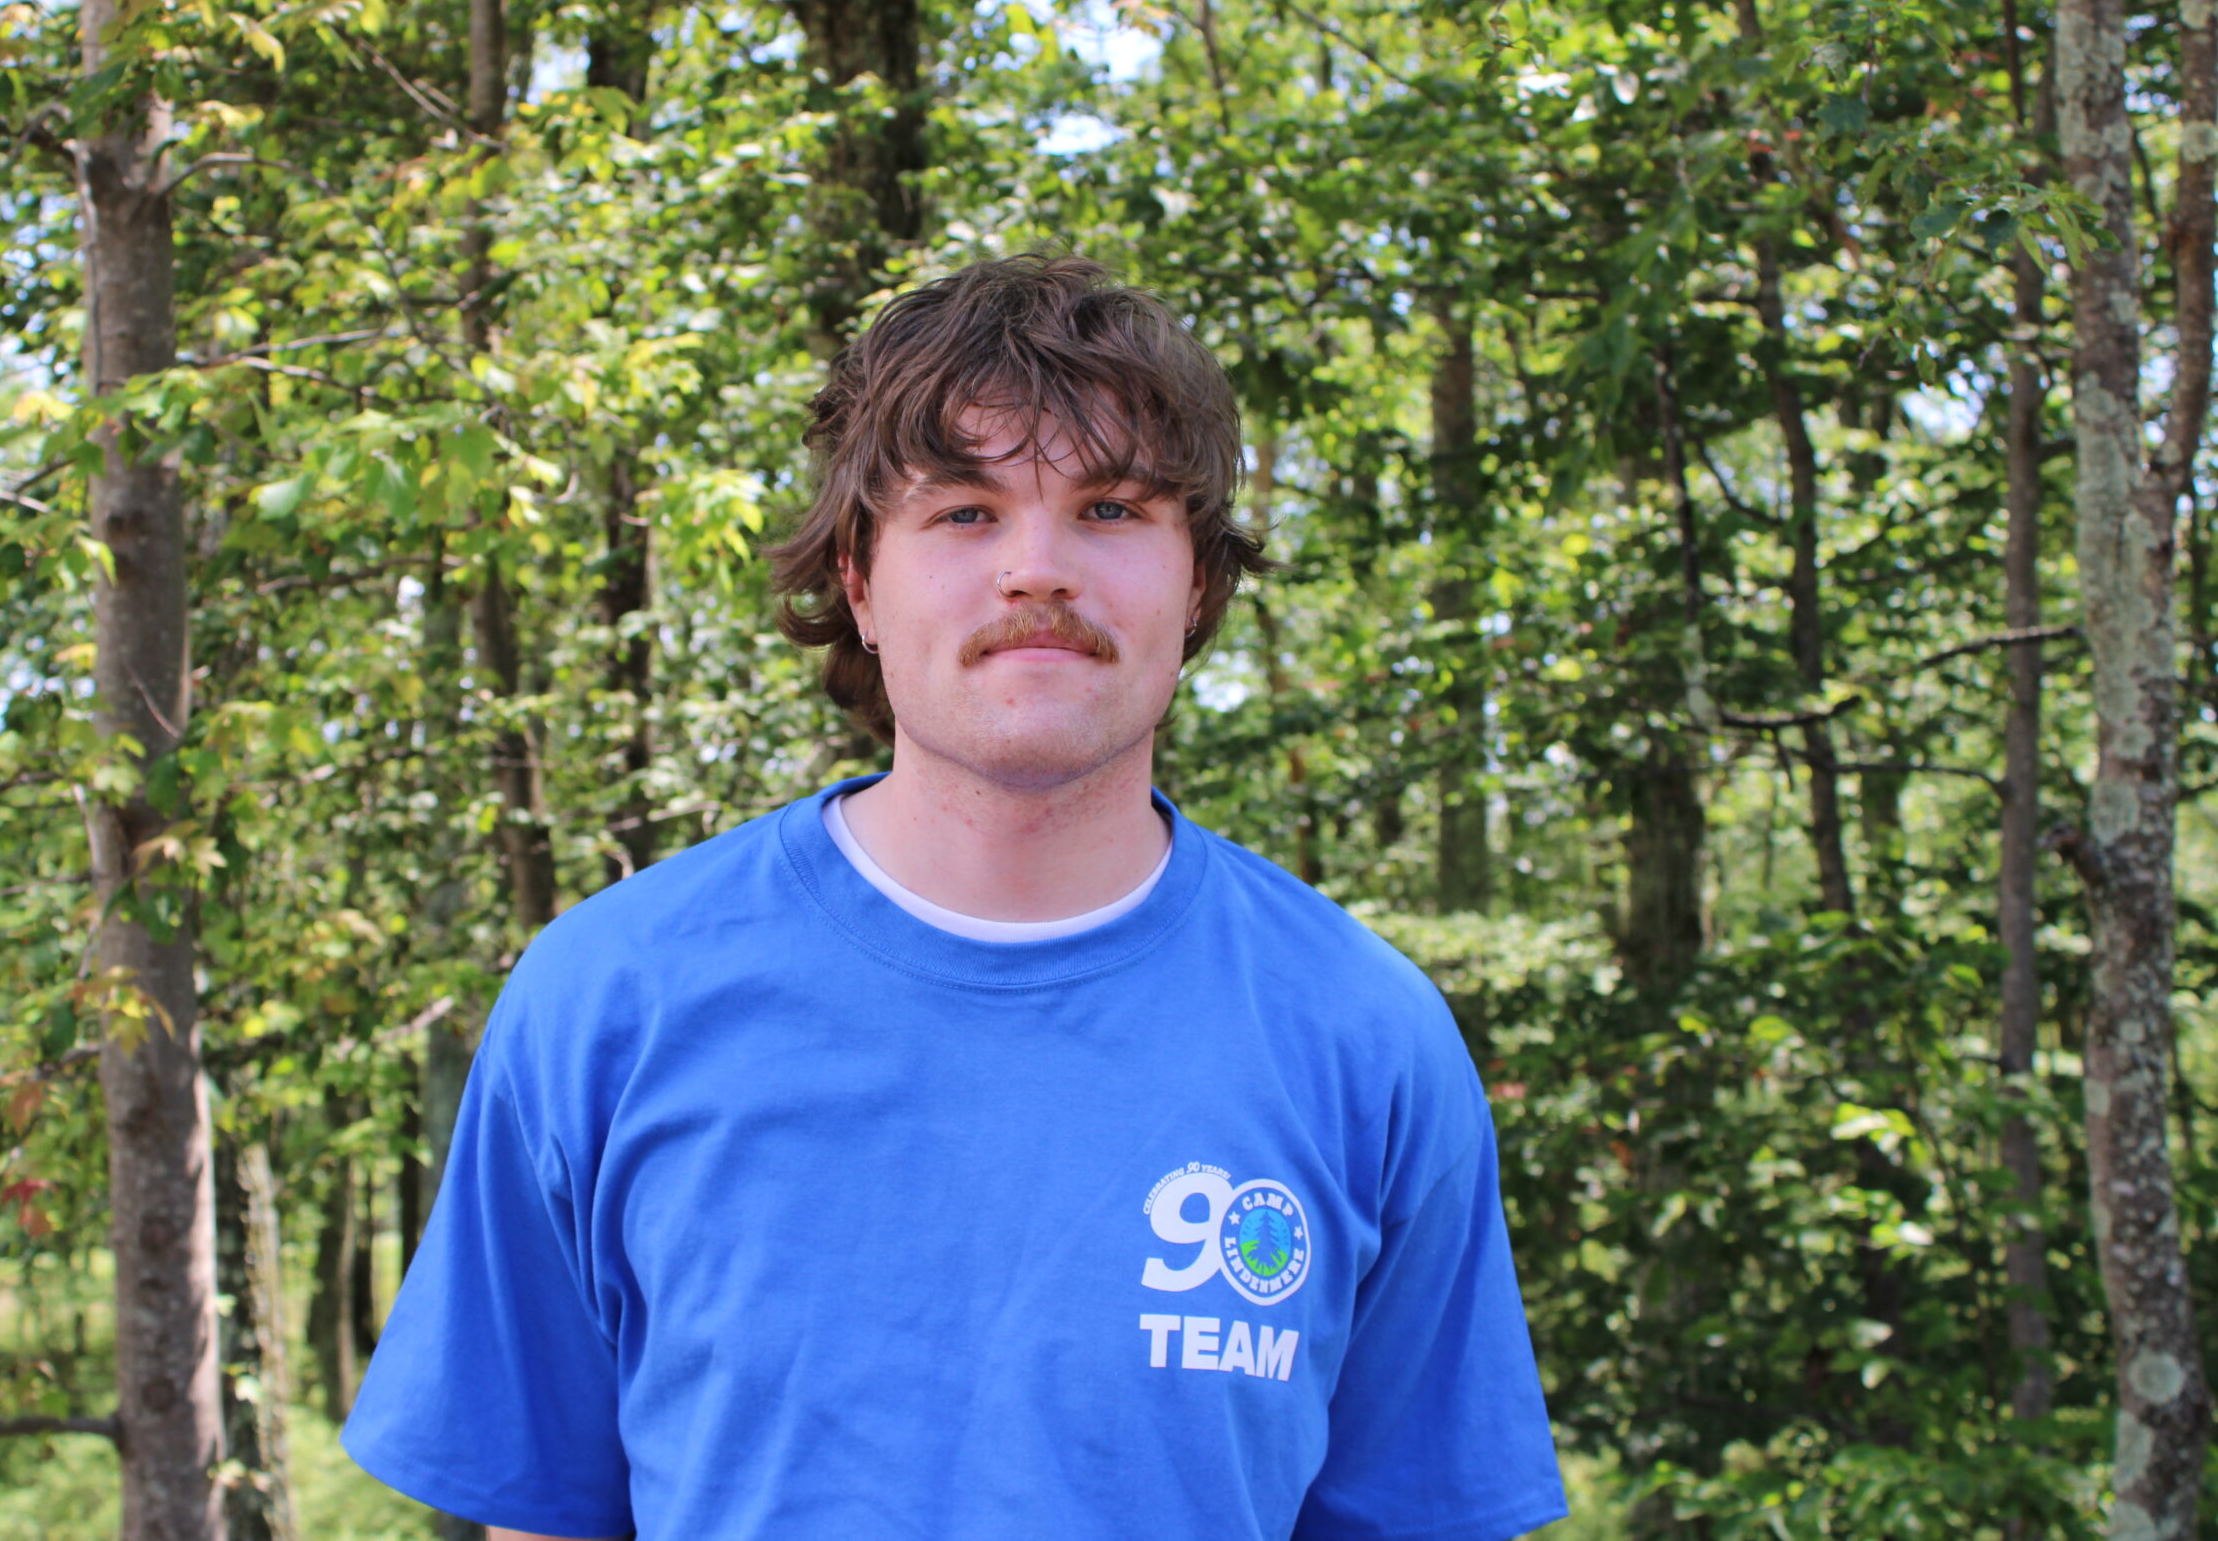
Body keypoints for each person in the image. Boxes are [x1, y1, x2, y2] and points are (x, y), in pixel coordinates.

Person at [343, 254, 1569, 1541]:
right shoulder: (607, 1001)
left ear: (1199, 582)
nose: (1037, 569)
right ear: (859, 583)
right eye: (966, 511)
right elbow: (541, 1513)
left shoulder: (1364, 1037)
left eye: (1110, 508)